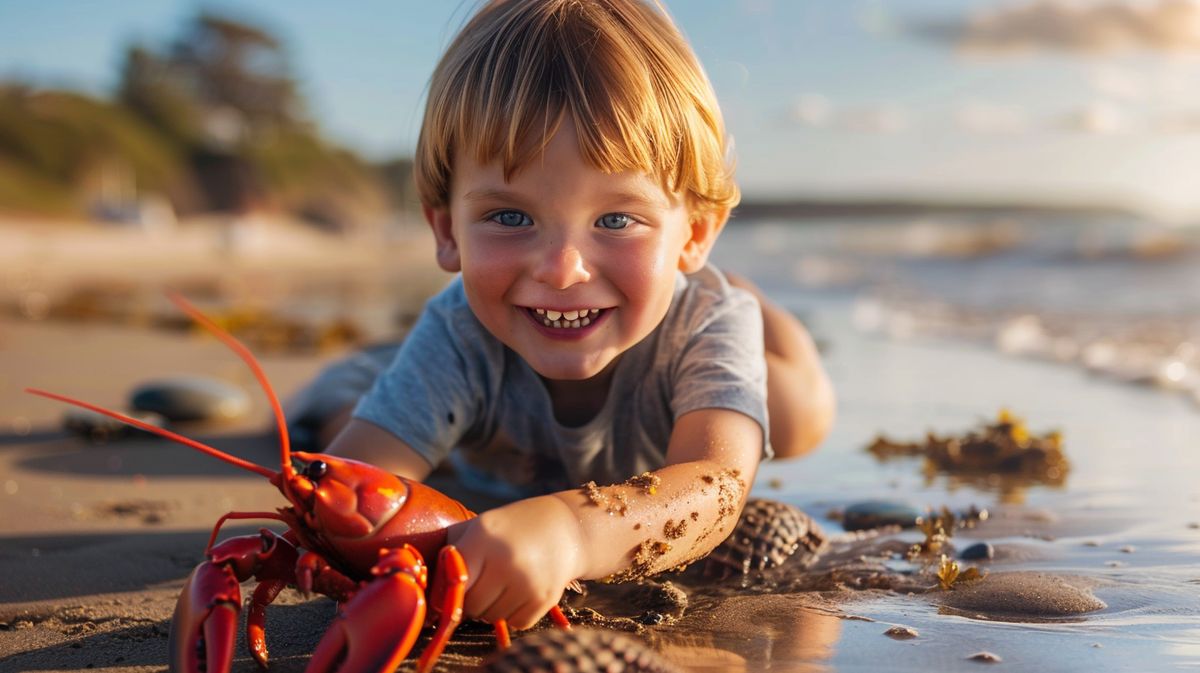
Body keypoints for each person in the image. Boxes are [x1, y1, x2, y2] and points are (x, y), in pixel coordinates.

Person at [295, 0, 835, 632]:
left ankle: (765, 309)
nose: (561, 268)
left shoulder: (704, 325)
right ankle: (366, 375)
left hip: (715, 349)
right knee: (335, 417)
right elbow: (359, 484)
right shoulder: (460, 331)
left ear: (694, 233)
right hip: (473, 364)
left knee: (796, 419)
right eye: (510, 217)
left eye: (616, 219)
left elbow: (717, 489)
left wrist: (571, 532)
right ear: (446, 231)